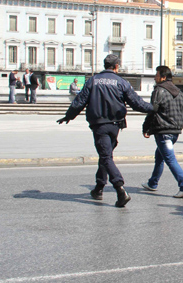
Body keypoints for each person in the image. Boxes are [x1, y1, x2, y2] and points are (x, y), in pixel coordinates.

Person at [56, 54, 153, 208]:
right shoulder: (122, 82)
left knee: (105, 156)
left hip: (99, 125)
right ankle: (99, 188)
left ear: (105, 65)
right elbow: (137, 103)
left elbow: (79, 102)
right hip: (115, 125)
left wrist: (68, 116)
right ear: (116, 66)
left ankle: (120, 189)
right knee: (106, 155)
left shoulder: (93, 81)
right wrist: (154, 109)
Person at [142, 65, 183, 198]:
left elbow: (153, 110)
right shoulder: (178, 91)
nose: (155, 77)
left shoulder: (159, 90)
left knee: (170, 159)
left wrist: (145, 127)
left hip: (163, 131)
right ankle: (153, 183)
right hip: (175, 131)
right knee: (160, 156)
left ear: (163, 77)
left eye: (157, 75)